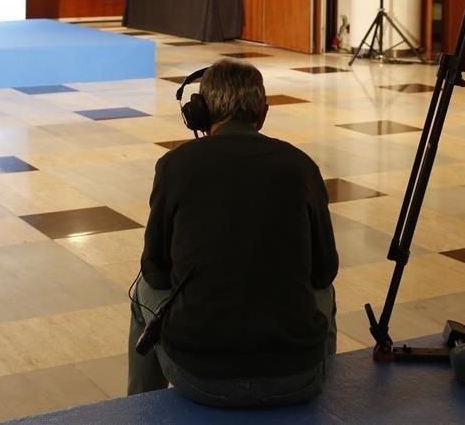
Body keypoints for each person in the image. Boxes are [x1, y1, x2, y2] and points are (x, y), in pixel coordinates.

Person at [128, 58, 339, 407]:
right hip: (297, 377)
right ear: (264, 113)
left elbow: (156, 270)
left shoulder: (174, 166)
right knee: (323, 290)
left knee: (142, 291)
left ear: (199, 113)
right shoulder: (301, 166)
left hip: (200, 376)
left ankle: (140, 411)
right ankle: (326, 393)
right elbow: (324, 270)